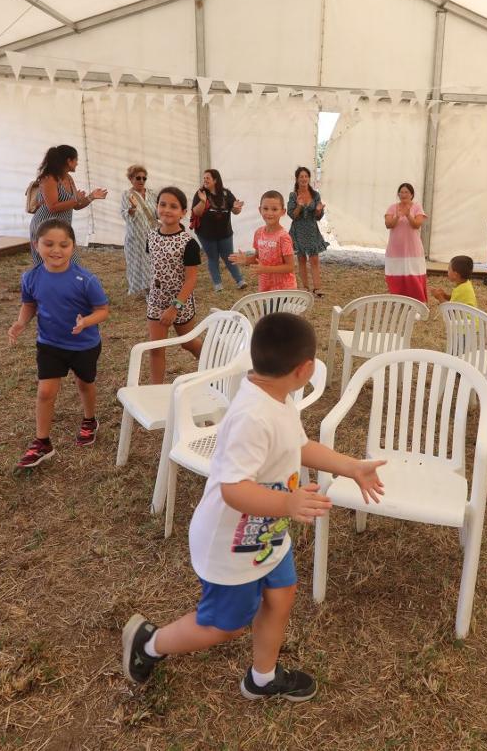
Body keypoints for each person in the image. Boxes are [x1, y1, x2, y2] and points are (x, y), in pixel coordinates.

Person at [121, 312, 386, 701]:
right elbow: (233, 489)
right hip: (230, 545)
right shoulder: (252, 416)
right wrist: (288, 502)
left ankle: (262, 678)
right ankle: (150, 644)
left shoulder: (277, 399)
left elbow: (299, 445)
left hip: (266, 535)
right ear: (305, 369)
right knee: (223, 625)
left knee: (281, 594)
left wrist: (351, 466)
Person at [7, 219, 110, 469]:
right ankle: (42, 442)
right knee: (45, 392)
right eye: (49, 244)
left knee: (84, 384)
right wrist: (21, 322)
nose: (56, 250)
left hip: (84, 345)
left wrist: (86, 321)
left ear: (73, 246)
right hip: (49, 344)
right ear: (36, 245)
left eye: (64, 245)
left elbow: (103, 310)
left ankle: (89, 420)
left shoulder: (86, 279)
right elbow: (30, 304)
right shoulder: (31, 277)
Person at [147, 187, 204, 385]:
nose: (167, 210)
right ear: (156, 207)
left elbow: (191, 280)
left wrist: (174, 307)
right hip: (156, 300)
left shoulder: (188, 243)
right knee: (156, 348)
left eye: (173, 206)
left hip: (181, 302)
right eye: (163, 204)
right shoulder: (151, 236)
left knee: (187, 343)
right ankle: (155, 391)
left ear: (183, 212)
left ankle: (214, 365)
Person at [28, 144, 107, 268]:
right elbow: (52, 207)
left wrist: (91, 197)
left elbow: (76, 205)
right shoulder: (49, 179)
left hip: (61, 228)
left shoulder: (69, 178)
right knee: (48, 266)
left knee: (71, 264)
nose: (77, 163)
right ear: (68, 161)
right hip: (44, 227)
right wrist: (76, 199)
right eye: (76, 160)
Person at [231, 191, 298, 292]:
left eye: (274, 209)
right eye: (265, 209)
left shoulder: (284, 237)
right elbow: (258, 258)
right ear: (260, 210)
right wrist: (246, 260)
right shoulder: (259, 233)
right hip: (265, 288)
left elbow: (290, 266)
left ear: (283, 212)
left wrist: (265, 269)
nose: (269, 213)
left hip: (284, 290)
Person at [192, 168, 246, 292]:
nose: (205, 180)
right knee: (213, 258)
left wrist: (237, 208)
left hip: (225, 233)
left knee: (229, 257)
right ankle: (218, 285)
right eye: (204, 178)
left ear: (215, 180)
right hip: (206, 234)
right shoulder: (201, 193)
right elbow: (196, 212)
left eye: (208, 178)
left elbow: (235, 211)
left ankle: (240, 281)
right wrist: (202, 201)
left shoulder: (226, 194)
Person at [286, 166, 328, 297]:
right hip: (298, 230)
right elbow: (292, 215)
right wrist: (299, 205)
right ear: (297, 179)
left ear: (309, 178)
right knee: (302, 258)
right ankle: (305, 287)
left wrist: (319, 210)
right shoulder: (293, 195)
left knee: (314, 259)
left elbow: (318, 217)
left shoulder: (315, 195)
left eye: (306, 176)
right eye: (301, 177)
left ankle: (317, 288)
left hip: (311, 229)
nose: (304, 179)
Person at [384, 182, 427, 303]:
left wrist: (408, 215)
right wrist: (397, 216)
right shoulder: (392, 207)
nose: (403, 194)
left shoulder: (417, 207)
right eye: (401, 192)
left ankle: (418, 301)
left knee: (414, 275)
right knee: (396, 275)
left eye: (406, 192)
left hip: (412, 249)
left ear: (412, 195)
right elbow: (388, 224)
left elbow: (416, 225)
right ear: (398, 194)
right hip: (395, 249)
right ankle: (398, 300)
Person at [121, 164, 156, 296]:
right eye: (138, 178)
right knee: (139, 264)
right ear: (131, 179)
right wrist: (133, 208)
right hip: (136, 237)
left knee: (152, 262)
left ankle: (154, 289)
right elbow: (124, 214)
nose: (141, 180)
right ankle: (148, 292)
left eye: (144, 178)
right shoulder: (127, 195)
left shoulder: (152, 194)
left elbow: (158, 212)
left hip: (152, 234)